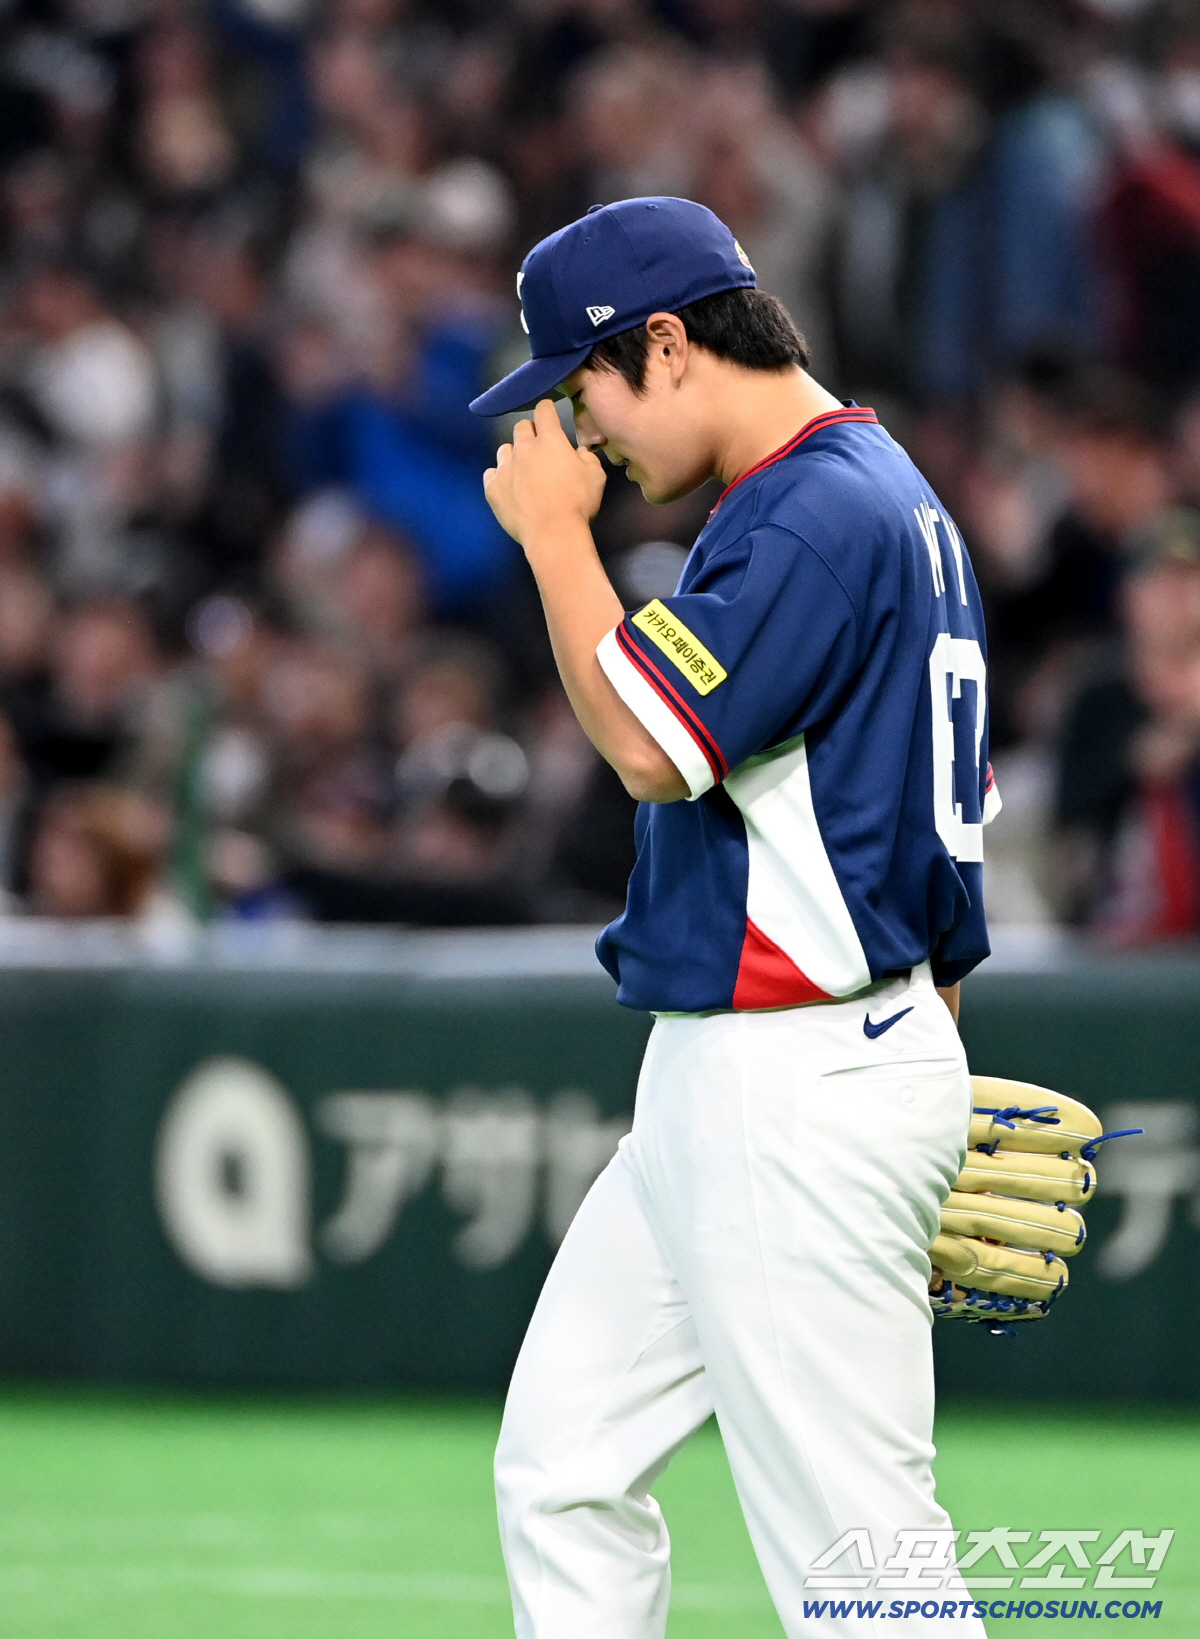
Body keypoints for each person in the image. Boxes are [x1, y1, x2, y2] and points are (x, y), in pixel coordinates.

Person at [471, 196, 997, 1638]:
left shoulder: (816, 512)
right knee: (564, 1468)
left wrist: (554, 544)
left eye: (582, 388)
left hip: (799, 1072)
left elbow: (651, 746)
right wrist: (928, 1078)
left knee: (862, 1569)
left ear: (665, 343)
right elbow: (923, 846)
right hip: (777, 1066)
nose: (581, 433)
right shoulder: (876, 496)